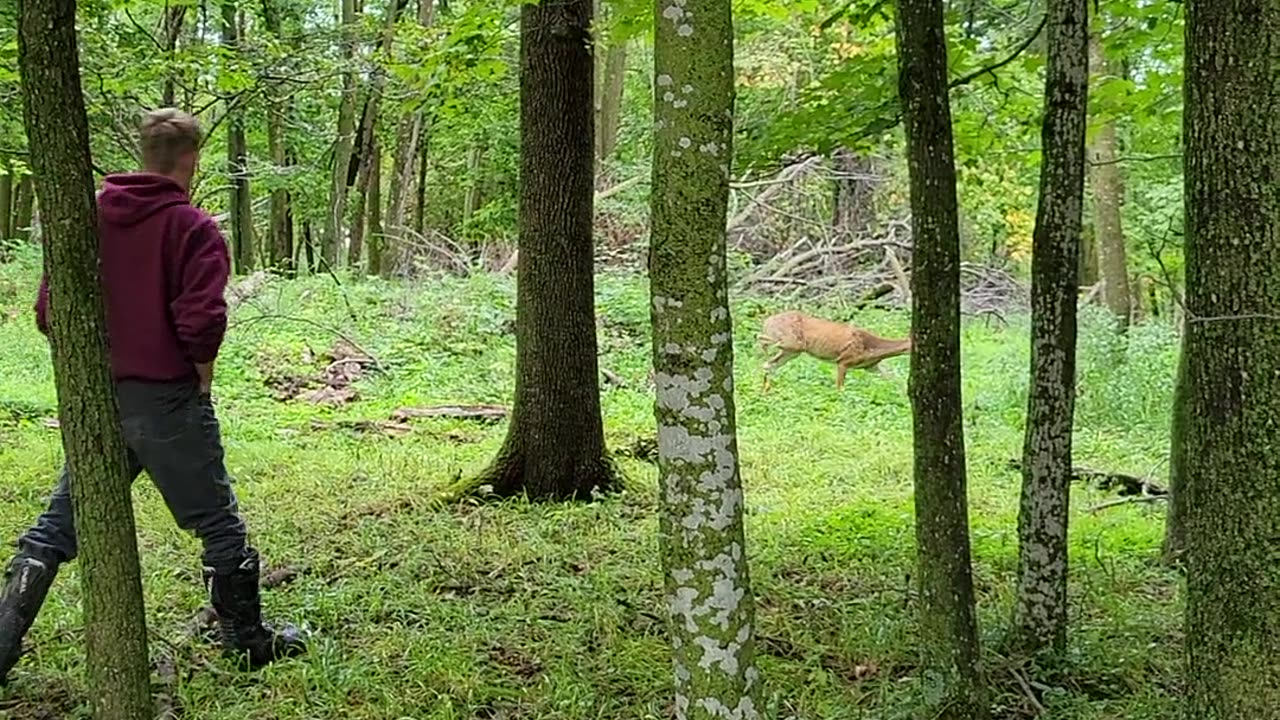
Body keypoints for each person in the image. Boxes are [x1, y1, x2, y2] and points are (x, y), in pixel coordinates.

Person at [0, 108, 306, 684]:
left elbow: (47, 311)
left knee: (57, 527)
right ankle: (247, 642)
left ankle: (1, 643)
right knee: (218, 523)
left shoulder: (85, 214)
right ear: (192, 159)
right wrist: (203, 376)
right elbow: (201, 320)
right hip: (166, 400)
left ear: (144, 153)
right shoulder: (193, 228)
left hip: (99, 401)